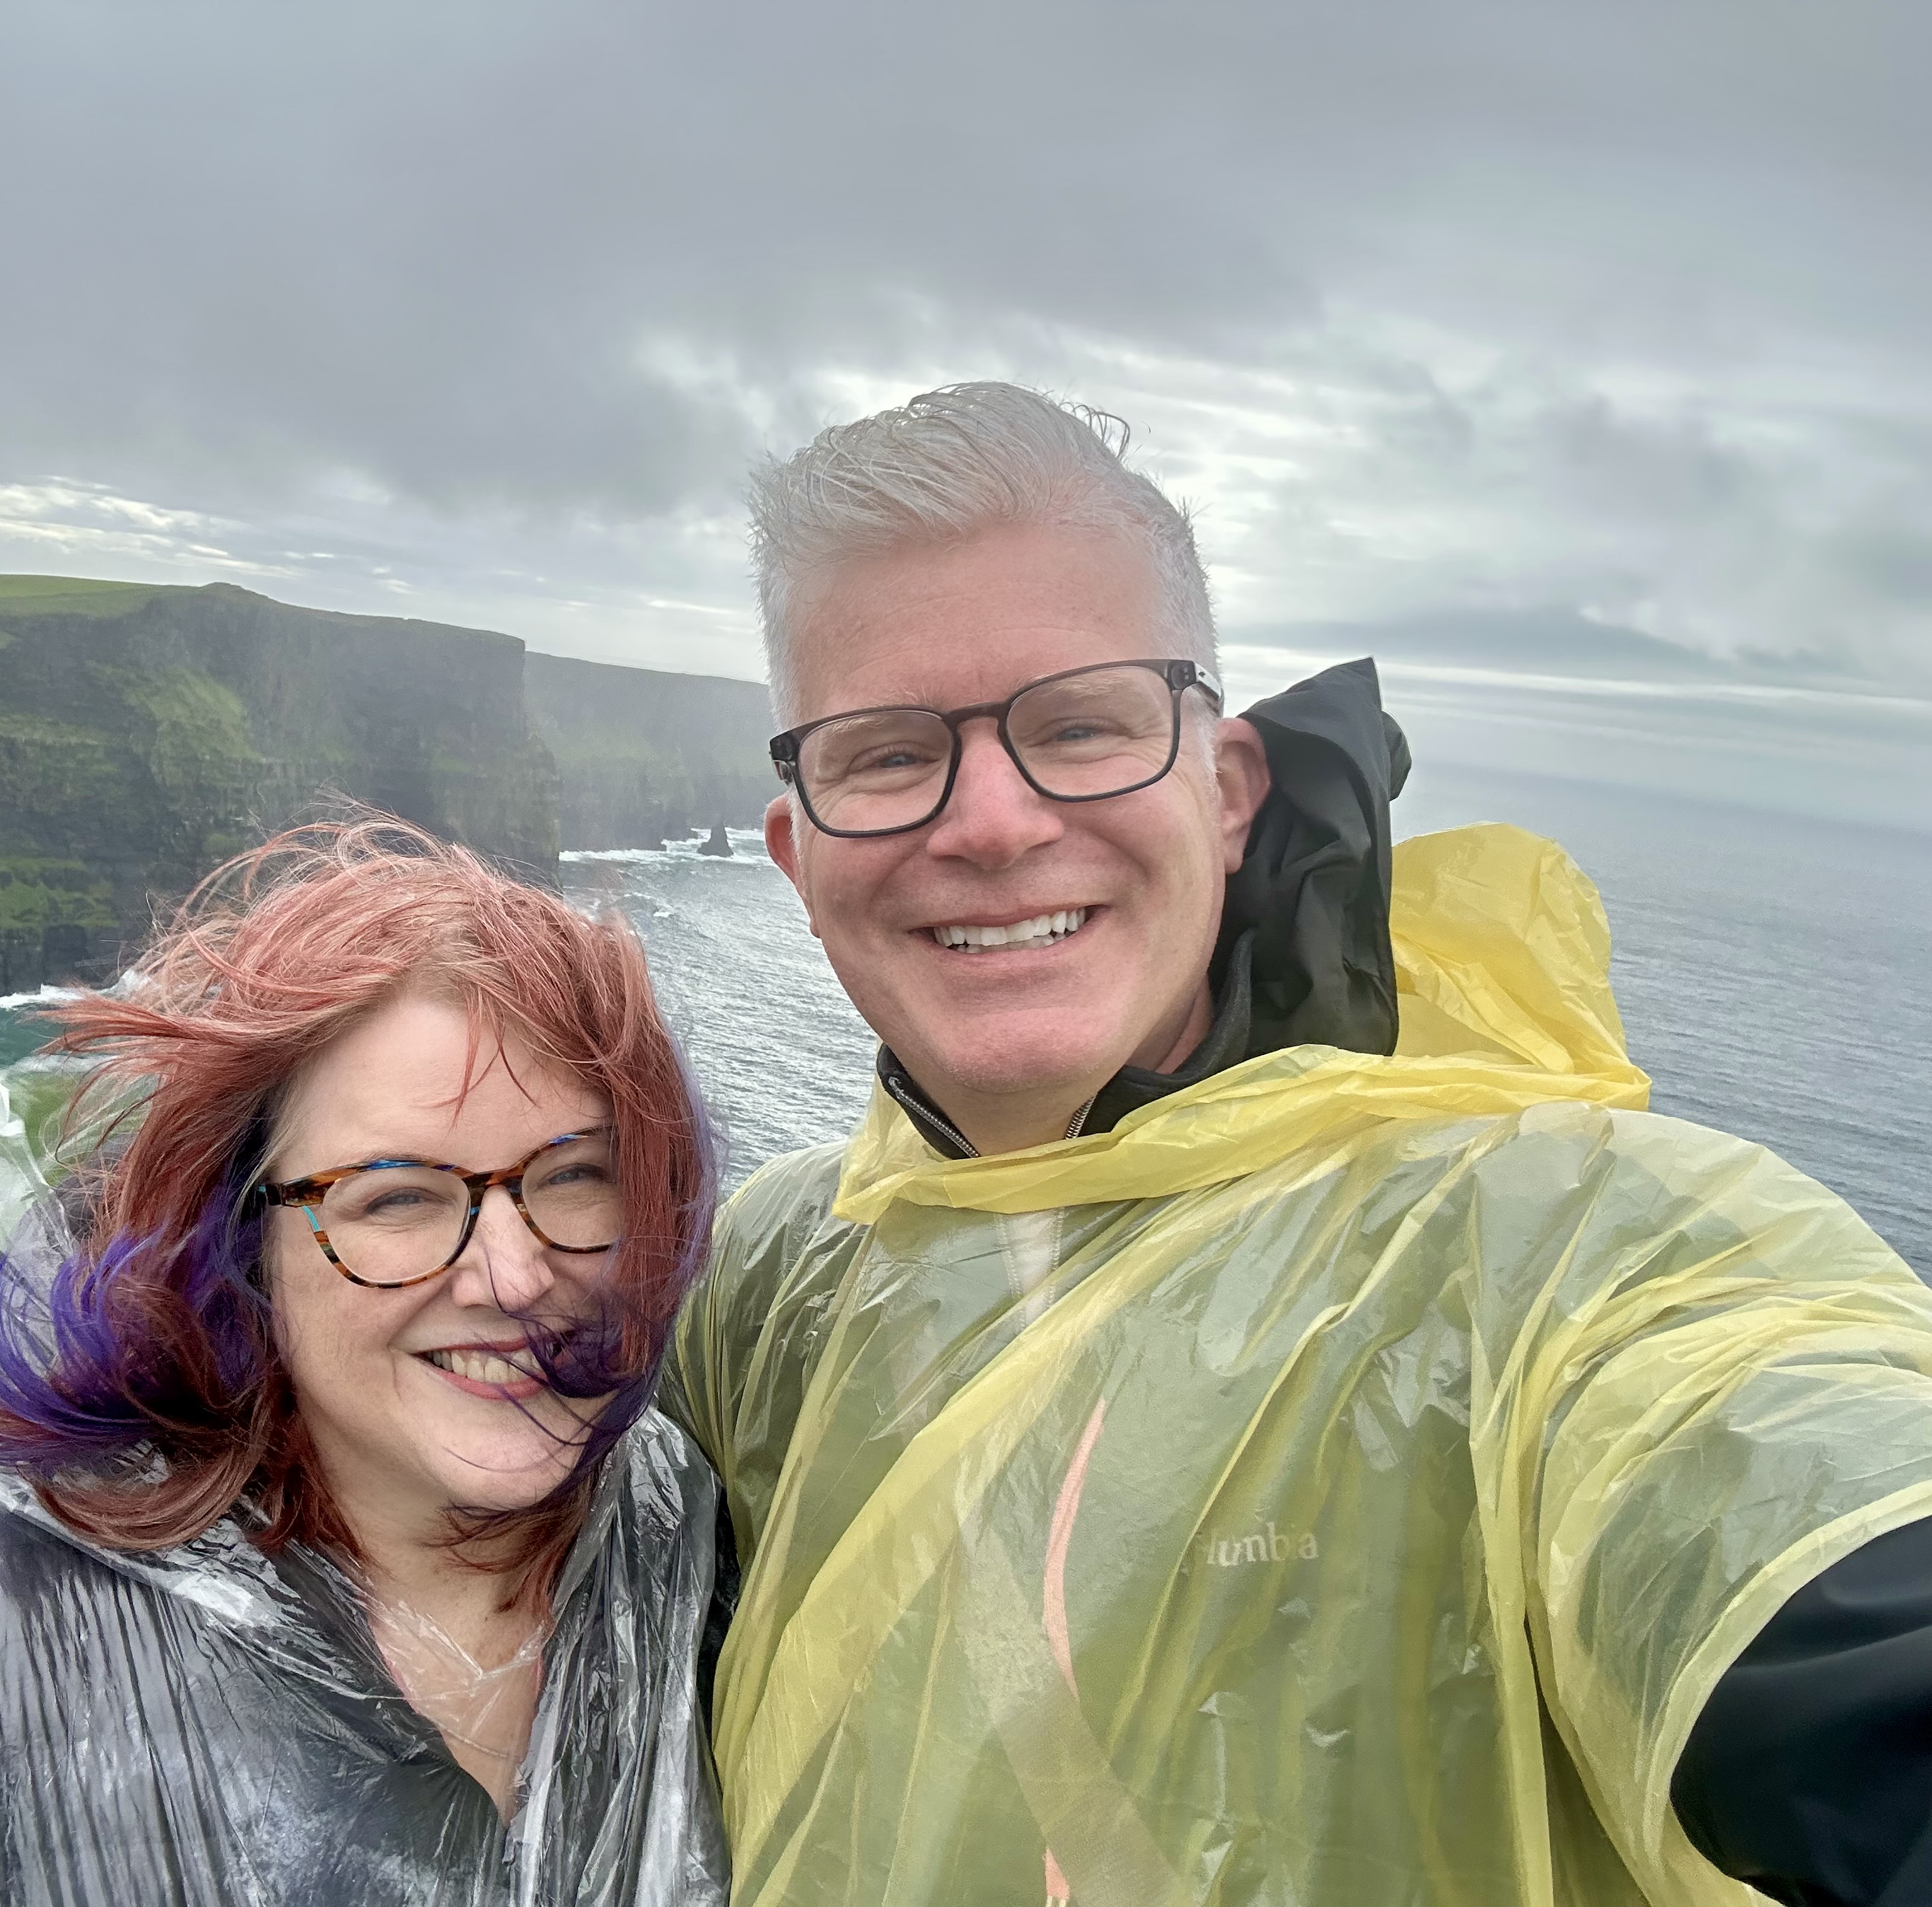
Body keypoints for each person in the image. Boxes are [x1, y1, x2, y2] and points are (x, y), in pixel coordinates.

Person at [666, 383, 1932, 1906]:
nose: (991, 824)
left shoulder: (1560, 1246)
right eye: (884, 755)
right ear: (800, 854)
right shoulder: (767, 1281)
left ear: (1227, 793)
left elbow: (1796, 1506)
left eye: (1083, 725)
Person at [0, 818, 731, 1906]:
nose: (515, 1275)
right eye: (396, 1198)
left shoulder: (701, 1548)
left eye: (577, 1176)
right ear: (241, 1243)